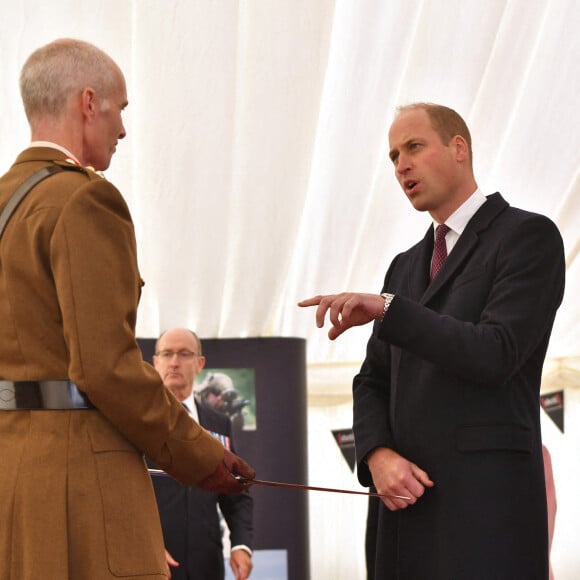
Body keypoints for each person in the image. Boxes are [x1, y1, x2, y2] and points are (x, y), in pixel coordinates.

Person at [0, 39, 254, 580]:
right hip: (78, 489)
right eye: (119, 110)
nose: (122, 129)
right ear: (88, 102)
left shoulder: (6, 202)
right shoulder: (84, 199)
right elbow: (103, 368)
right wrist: (200, 455)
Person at [299, 102, 565, 579]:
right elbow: (372, 381)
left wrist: (388, 308)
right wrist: (377, 454)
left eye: (414, 147)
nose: (401, 164)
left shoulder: (528, 237)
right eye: (394, 155)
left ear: (458, 148)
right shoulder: (404, 266)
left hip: (485, 520)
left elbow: (495, 352)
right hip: (403, 519)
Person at [150, 328, 254, 580]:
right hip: (152, 564)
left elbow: (235, 492)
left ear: (200, 364)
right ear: (155, 362)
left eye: (184, 354)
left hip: (207, 565)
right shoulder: (137, 420)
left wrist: (241, 545)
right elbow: (119, 494)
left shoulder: (219, 423)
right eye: (167, 353)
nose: (174, 362)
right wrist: (145, 546)